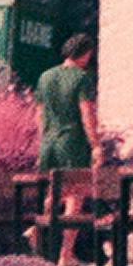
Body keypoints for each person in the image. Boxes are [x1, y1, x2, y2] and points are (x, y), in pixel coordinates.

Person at [34, 32, 101, 171]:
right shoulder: (82, 77)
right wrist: (95, 146)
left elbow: (39, 115)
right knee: (74, 190)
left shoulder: (45, 77)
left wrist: (42, 142)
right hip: (72, 145)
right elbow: (87, 114)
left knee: (49, 190)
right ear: (87, 53)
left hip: (47, 145)